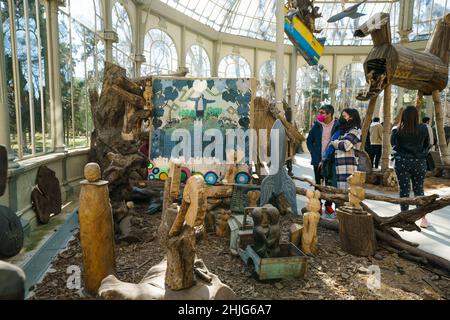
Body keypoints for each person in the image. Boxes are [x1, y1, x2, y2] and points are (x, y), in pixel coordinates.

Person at [391, 106, 430, 228]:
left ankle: (404, 217)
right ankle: (423, 218)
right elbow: (427, 145)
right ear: (417, 116)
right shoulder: (424, 128)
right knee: (419, 190)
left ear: (403, 116)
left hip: (402, 162)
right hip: (419, 162)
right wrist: (420, 155)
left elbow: (394, 146)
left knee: (404, 190)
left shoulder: (396, 130)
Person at [306, 104, 340, 215]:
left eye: (322, 113)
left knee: (331, 184)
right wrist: (313, 152)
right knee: (318, 184)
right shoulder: (317, 125)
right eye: (319, 112)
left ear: (330, 114)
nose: (320, 115)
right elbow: (309, 141)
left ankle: (329, 205)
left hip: (331, 160)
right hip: (318, 160)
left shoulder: (338, 125)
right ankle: (318, 205)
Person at [330, 108, 362, 191]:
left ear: (351, 118)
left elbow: (345, 146)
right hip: (340, 166)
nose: (341, 118)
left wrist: (334, 143)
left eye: (344, 116)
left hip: (348, 167)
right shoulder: (345, 131)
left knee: (346, 195)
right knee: (339, 194)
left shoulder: (355, 131)